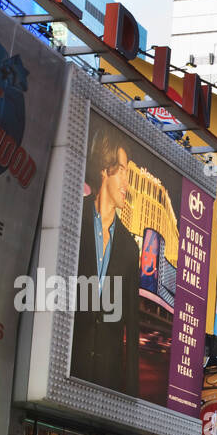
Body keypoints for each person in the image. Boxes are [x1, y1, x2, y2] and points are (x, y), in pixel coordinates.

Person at [72, 120, 142, 397]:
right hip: (68, 366)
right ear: (104, 169)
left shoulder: (129, 247)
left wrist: (132, 395)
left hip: (108, 382)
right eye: (122, 172)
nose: (127, 184)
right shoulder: (74, 218)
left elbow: (133, 325)